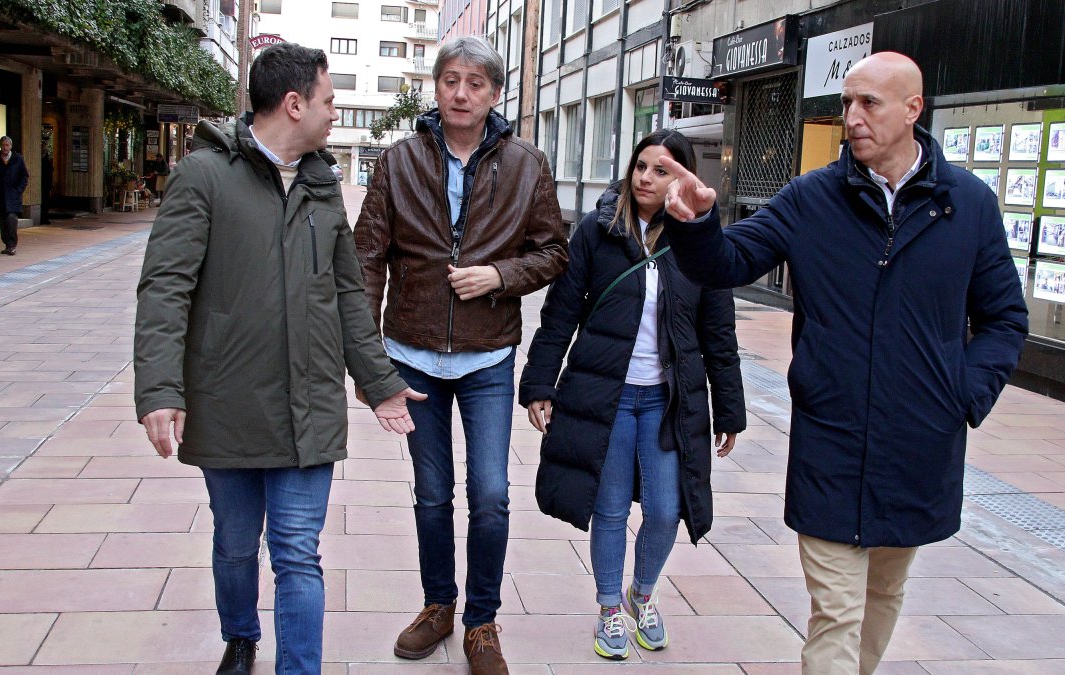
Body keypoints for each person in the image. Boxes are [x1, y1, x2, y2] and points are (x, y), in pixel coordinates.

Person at [659, 52, 1028, 674]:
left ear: (913, 109)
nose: (851, 118)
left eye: (868, 104)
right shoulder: (812, 198)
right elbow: (727, 263)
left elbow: (1004, 320)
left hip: (919, 442)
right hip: (831, 437)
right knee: (835, 609)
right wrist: (699, 224)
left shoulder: (967, 204)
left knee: (884, 593)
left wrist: (962, 395)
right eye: (846, 104)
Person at [134, 42, 426, 675]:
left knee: (297, 552)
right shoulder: (204, 177)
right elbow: (165, 287)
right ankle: (240, 636)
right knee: (236, 546)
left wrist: (379, 382)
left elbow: (348, 292)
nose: (334, 114)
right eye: (328, 101)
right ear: (294, 105)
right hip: (228, 401)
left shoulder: (323, 185)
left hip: (309, 404)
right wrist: (159, 389)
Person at [354, 35, 567, 675]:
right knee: (430, 494)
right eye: (451, 80)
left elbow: (554, 251)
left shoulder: (527, 164)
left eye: (476, 82)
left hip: (486, 358)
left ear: (495, 94)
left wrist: (499, 276)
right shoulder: (398, 161)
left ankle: (482, 621)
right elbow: (366, 260)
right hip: (411, 356)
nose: (462, 93)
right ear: (436, 87)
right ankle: (437, 605)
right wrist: (369, 365)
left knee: (492, 495)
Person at [518, 130, 745, 661]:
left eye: (660, 170)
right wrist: (538, 384)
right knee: (612, 509)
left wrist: (729, 407)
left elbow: (719, 332)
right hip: (608, 396)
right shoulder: (599, 232)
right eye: (640, 166)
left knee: (667, 511)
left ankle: (642, 594)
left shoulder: (700, 242)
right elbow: (561, 315)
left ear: (683, 178)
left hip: (669, 400)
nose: (645, 177)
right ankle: (608, 608)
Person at [0, 136, 29, 255]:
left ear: (11, 146)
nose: (5, 147)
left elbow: (24, 176)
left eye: (7, 145)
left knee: (11, 219)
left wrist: (19, 190)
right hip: (0, 196)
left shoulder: (18, 159)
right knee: (3, 222)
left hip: (13, 196)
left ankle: (12, 245)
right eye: (3, 145)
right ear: (0, 146)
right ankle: (7, 244)